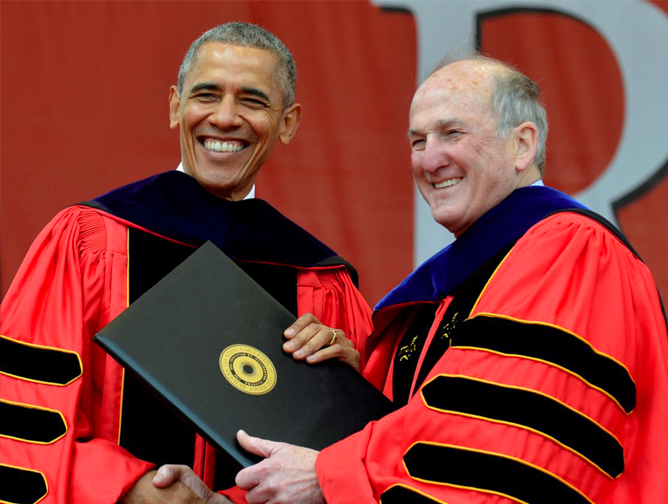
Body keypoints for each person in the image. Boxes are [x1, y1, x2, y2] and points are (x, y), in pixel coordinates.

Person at [156, 54, 668, 503]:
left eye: (452, 134)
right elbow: (398, 437)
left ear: (522, 144)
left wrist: (326, 477)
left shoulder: (572, 253)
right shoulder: (451, 286)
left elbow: (502, 454)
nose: (429, 159)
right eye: (417, 141)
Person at [0, 23, 371, 504]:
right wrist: (128, 488)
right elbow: (26, 407)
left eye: (253, 101)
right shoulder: (87, 240)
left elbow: (358, 459)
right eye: (206, 95)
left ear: (288, 122)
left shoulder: (320, 278)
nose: (224, 117)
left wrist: (348, 384)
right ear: (176, 106)